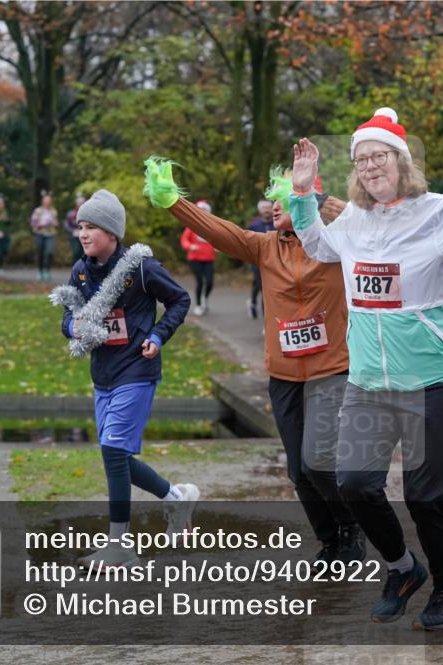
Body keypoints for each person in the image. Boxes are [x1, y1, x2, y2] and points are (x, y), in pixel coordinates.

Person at [289, 109, 443, 630]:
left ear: (401, 162)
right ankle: (401, 567)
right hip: (370, 381)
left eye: (380, 156)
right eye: (362, 159)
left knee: (425, 496)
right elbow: (320, 247)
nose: (371, 166)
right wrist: (303, 196)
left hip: (434, 380)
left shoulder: (439, 212)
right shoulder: (354, 217)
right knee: (354, 483)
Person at [144, 158, 363, 563]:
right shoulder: (264, 247)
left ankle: (351, 528)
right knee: (298, 471)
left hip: (331, 370)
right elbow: (219, 231)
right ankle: (330, 541)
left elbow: (364, 215)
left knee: (318, 463)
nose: (273, 206)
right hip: (283, 374)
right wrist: (173, 201)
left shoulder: (338, 241)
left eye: (281, 198)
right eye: (272, 200)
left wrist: (313, 197)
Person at [51, 189, 196, 567]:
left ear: (113, 234)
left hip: (137, 370)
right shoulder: (80, 270)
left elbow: (180, 299)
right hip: (103, 373)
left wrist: (157, 335)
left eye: (92, 228)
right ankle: (177, 498)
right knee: (115, 457)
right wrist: (74, 328)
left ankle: (120, 545)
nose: (83, 234)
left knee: (113, 450)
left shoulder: (140, 267)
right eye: (80, 227)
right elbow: (68, 316)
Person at [180, 200, 217, 316]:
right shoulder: (192, 225)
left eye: (205, 210)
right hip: (195, 258)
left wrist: (219, 247)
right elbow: (184, 240)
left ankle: (204, 299)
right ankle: (198, 305)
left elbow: (217, 239)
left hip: (209, 258)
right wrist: (190, 246)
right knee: (200, 281)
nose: (202, 212)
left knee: (210, 283)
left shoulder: (212, 226)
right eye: (200, 210)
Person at [246, 200, 275, 319]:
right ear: (259, 210)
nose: (267, 210)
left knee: (268, 289)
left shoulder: (278, 223)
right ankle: (254, 304)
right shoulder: (253, 225)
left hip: (274, 261)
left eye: (269, 207)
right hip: (257, 262)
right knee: (262, 288)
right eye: (264, 208)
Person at [30, 192, 58, 281]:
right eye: (46, 201)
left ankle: (47, 270)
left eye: (49, 201)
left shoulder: (53, 211)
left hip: (50, 234)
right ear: (42, 202)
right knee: (40, 253)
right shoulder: (38, 211)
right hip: (39, 234)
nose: (47, 203)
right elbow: (33, 223)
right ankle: (40, 271)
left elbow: (56, 223)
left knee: (49, 252)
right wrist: (41, 224)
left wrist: (53, 223)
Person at [63, 192, 87, 264]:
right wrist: (72, 230)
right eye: (79, 203)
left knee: (84, 252)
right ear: (76, 204)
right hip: (74, 236)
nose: (80, 205)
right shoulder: (71, 213)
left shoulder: (87, 214)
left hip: (85, 235)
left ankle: (84, 269)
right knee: (76, 252)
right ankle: (76, 268)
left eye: (82, 203)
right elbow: (66, 224)